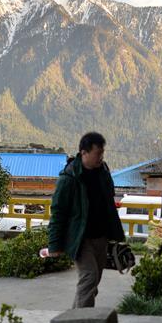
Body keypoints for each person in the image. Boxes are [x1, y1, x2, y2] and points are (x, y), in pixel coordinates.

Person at [44, 132, 125, 308]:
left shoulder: (103, 172)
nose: (101, 157)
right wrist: (54, 245)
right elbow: (58, 212)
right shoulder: (69, 178)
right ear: (84, 153)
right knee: (89, 278)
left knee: (92, 283)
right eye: (97, 153)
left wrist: (115, 233)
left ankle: (73, 320)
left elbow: (109, 203)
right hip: (80, 238)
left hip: (101, 236)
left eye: (102, 153)